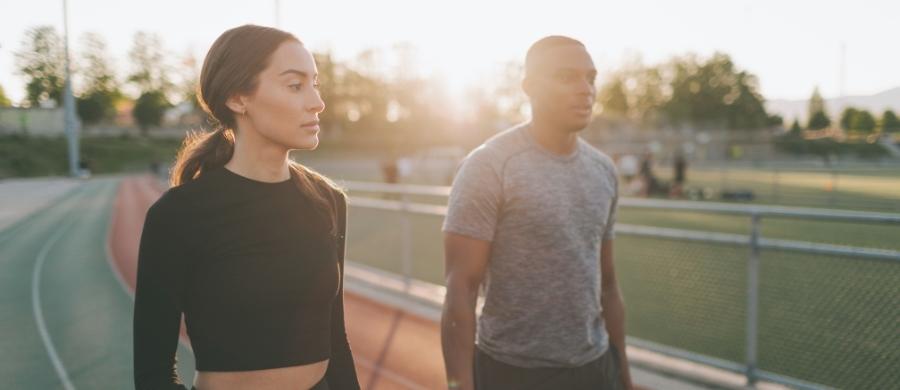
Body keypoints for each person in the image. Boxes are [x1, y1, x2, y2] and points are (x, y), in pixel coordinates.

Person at [133, 25, 360, 390]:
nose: (317, 102)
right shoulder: (177, 216)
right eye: (295, 85)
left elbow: (337, 339)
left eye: (315, 84)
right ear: (239, 98)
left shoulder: (328, 201)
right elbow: (152, 375)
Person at [440, 36, 633, 390]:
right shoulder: (489, 166)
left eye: (590, 78)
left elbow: (608, 284)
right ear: (529, 88)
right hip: (512, 372)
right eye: (566, 77)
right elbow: (460, 290)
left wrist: (622, 375)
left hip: (595, 368)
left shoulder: (603, 170)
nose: (584, 89)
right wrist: (459, 385)